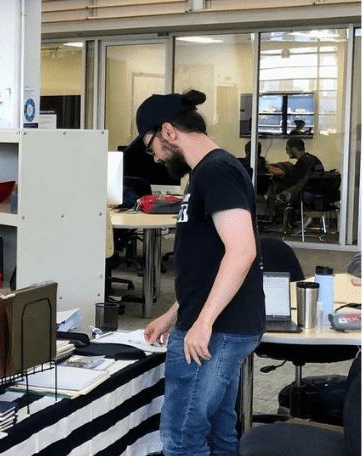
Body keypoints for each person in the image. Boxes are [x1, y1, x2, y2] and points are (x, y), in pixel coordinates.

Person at [135, 90, 264, 456]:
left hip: (216, 330)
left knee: (182, 438)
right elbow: (210, 262)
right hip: (218, 325)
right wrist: (173, 313)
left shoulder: (216, 171)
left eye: (152, 146)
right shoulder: (207, 172)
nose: (155, 157)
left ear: (168, 131)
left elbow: (242, 251)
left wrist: (203, 322)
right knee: (218, 433)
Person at [265, 137, 323, 222]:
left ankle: (278, 221)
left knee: (274, 191)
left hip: (306, 193)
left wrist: (278, 176)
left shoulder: (302, 163)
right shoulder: (313, 159)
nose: (286, 152)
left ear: (294, 150)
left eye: (287, 149)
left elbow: (292, 183)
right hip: (319, 193)